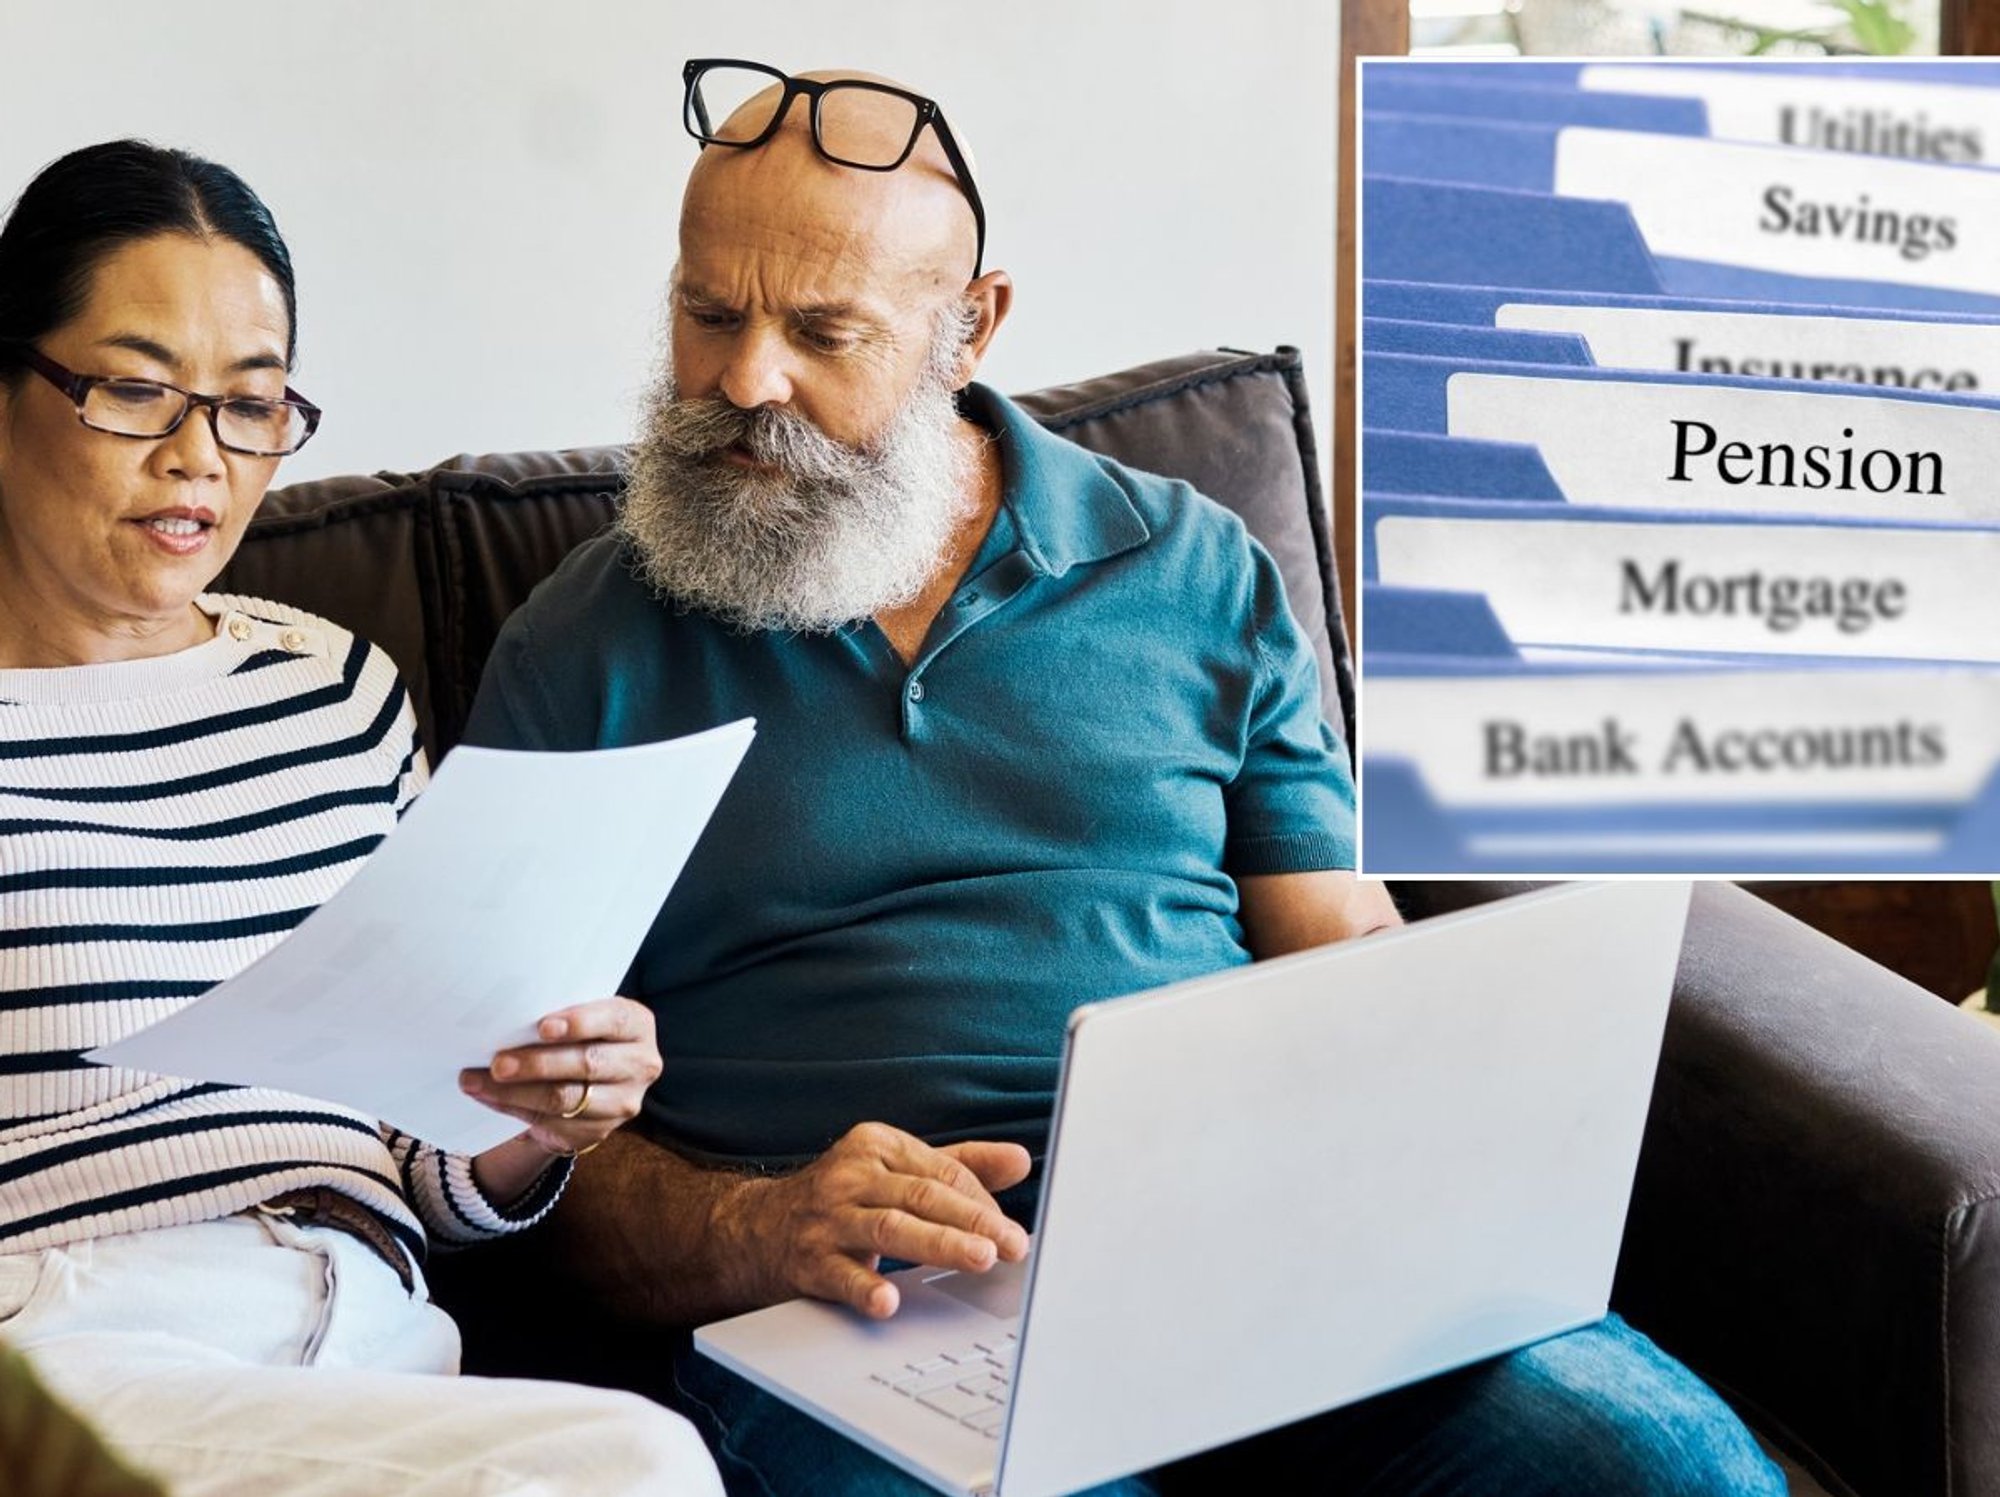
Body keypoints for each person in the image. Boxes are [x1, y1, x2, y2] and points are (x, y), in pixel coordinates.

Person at [462, 62, 1785, 1496]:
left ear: (970, 329)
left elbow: (1348, 955)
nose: (742, 379)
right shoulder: (586, 641)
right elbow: (507, 1143)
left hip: (1254, 1260)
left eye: (823, 330)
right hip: (850, 1317)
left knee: (1668, 1471)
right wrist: (760, 1226)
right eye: (707, 311)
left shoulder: (1192, 564)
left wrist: (1419, 1167)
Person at [0, 140, 720, 1496]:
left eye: (250, 405)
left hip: (374, 1339)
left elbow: (429, 1163)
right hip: (73, 1335)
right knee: (634, 1464)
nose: (197, 460)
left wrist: (539, 1112)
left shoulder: (336, 689)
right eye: (139, 391)